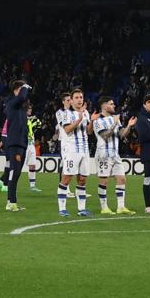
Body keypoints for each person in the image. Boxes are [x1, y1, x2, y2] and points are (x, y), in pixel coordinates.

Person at [92, 98, 136, 215]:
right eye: (111, 104)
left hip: (115, 154)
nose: (114, 105)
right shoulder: (98, 121)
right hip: (103, 155)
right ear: (104, 106)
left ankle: (120, 207)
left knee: (122, 179)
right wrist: (114, 124)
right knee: (104, 181)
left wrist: (129, 126)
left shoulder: (114, 118)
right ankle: (104, 207)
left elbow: (122, 134)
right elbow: (105, 136)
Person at [56, 88, 92, 217]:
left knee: (82, 180)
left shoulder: (86, 113)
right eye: (76, 97)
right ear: (71, 101)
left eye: (81, 97)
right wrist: (79, 119)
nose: (79, 100)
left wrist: (91, 120)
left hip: (84, 150)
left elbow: (89, 131)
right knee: (66, 178)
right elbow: (67, 129)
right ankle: (62, 209)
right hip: (72, 150)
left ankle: (81, 209)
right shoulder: (66, 114)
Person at [0, 79, 31, 212]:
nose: (25, 94)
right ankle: (11, 202)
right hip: (15, 144)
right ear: (16, 91)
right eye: (22, 89)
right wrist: (25, 86)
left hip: (21, 144)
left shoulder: (20, 108)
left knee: (16, 173)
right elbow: (22, 96)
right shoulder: (12, 103)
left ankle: (11, 202)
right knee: (14, 172)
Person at [24, 104, 42, 193]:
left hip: (31, 145)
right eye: (29, 109)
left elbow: (39, 125)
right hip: (24, 145)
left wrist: (36, 121)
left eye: (31, 109)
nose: (30, 110)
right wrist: (29, 120)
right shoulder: (21, 119)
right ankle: (7, 183)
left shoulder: (30, 120)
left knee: (32, 165)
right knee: (17, 166)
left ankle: (32, 186)